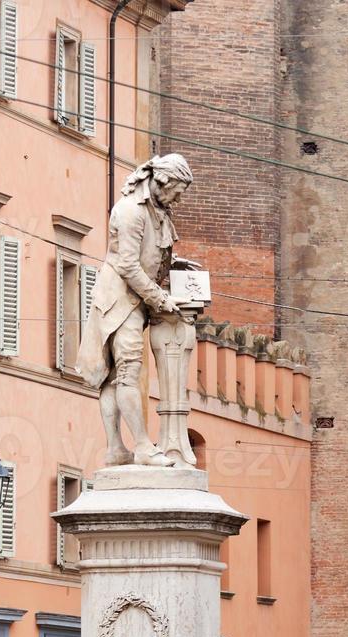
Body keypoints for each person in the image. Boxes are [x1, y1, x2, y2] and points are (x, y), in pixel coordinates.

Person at [77, 154, 200, 467]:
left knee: (116, 376)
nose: (179, 197)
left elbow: (152, 256)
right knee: (126, 371)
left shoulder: (157, 212)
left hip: (134, 301)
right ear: (163, 182)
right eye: (178, 190)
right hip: (120, 301)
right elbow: (128, 265)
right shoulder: (131, 211)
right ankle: (142, 447)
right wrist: (160, 298)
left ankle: (117, 449)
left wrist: (174, 268)